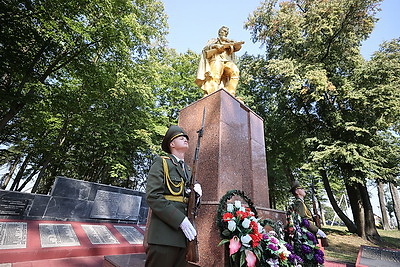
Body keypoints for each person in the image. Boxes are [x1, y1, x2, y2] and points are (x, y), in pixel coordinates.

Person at [145, 125, 202, 267]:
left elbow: (189, 204)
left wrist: (197, 197)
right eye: (180, 138)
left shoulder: (189, 170)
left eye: (186, 138)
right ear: (172, 144)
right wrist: (180, 220)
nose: (185, 139)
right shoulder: (162, 162)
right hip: (164, 236)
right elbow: (153, 196)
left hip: (184, 237)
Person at [195, 26, 244, 96]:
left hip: (227, 61)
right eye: (223, 31)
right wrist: (215, 46)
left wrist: (232, 44)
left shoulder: (229, 41)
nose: (225, 33)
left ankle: (231, 94)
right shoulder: (213, 40)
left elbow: (237, 47)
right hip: (216, 59)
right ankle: (213, 95)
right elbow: (205, 49)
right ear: (219, 32)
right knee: (215, 77)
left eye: (226, 32)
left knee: (235, 71)